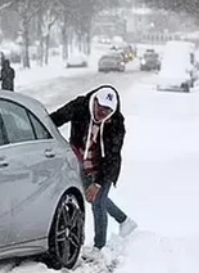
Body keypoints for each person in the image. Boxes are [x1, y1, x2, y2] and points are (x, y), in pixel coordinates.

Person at [49, 85, 137, 251]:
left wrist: (98, 183)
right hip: (82, 160)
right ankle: (125, 221)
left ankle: (99, 247)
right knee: (93, 198)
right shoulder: (80, 106)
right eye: (100, 107)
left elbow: (112, 157)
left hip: (105, 167)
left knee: (97, 202)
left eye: (107, 111)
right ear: (94, 101)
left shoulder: (116, 123)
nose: (102, 113)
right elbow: (56, 118)